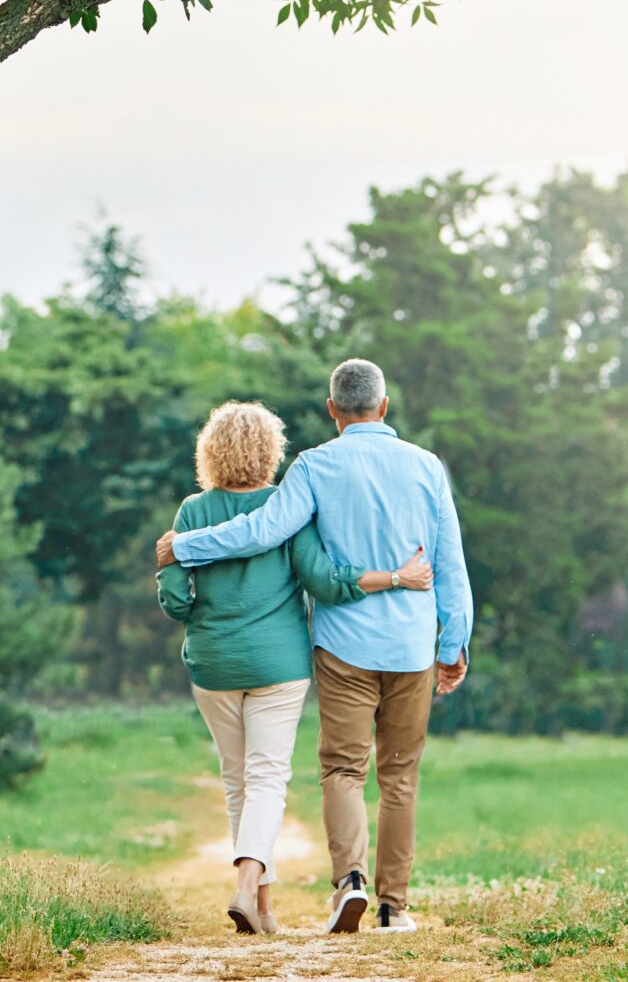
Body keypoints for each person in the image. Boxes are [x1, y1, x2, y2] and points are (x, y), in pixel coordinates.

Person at [157, 360, 473, 935]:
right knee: (400, 777)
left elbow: (262, 531)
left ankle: (347, 882)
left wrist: (186, 545)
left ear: (332, 410)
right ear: (383, 406)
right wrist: (453, 644)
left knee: (343, 771)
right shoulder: (427, 467)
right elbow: (450, 563)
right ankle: (393, 908)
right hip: (410, 647)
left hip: (343, 647)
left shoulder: (314, 466)